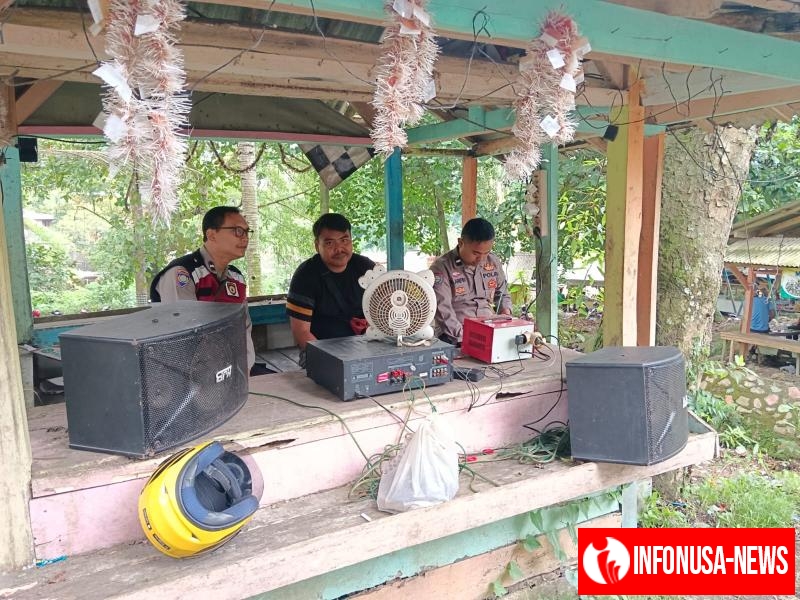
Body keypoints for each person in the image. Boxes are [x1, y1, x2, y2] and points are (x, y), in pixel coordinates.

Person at [149, 206, 260, 375]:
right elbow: (184, 334)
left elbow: (243, 328)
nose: (245, 238)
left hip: (230, 370)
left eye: (247, 232)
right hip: (184, 375)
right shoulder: (182, 273)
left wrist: (246, 368)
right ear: (211, 235)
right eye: (237, 231)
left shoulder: (236, 278)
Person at [286, 213, 376, 367]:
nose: (339, 248)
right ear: (317, 245)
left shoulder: (365, 267)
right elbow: (301, 332)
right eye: (329, 243)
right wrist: (333, 364)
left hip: (366, 345)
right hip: (321, 349)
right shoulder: (305, 275)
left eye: (344, 240)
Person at [430, 217, 512, 345]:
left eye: (486, 253)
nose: (481, 258)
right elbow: (443, 311)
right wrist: (466, 337)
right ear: (461, 242)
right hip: (455, 335)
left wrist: (506, 315)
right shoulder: (442, 268)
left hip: (489, 328)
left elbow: (503, 294)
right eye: (476, 253)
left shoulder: (493, 262)